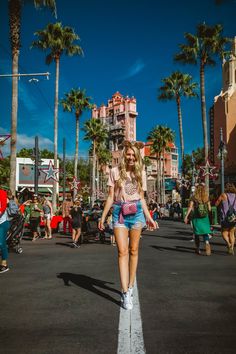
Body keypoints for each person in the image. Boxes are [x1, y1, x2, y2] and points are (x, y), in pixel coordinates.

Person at [98, 141, 157, 310]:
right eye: (128, 154)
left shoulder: (141, 173)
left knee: (134, 250)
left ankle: (130, 286)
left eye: (133, 155)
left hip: (137, 212)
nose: (130, 157)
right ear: (124, 155)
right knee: (122, 251)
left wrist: (149, 217)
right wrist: (103, 217)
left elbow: (142, 198)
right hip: (119, 213)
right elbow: (110, 196)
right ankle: (124, 291)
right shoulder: (115, 172)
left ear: (137, 157)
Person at [184, 184, 212, 256]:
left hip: (196, 217)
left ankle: (198, 248)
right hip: (205, 217)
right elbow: (209, 209)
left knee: (197, 233)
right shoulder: (206, 197)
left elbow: (190, 207)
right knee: (205, 232)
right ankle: (207, 242)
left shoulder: (194, 197)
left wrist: (186, 216)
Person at [215, 183, 236, 255]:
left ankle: (229, 244)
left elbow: (216, 203)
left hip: (225, 217)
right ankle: (232, 248)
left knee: (224, 232)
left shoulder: (223, 195)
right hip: (234, 218)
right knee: (232, 233)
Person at [0, 189, 11, 273]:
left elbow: (3, 207)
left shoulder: (2, 193)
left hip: (2, 222)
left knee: (1, 242)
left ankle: (4, 263)